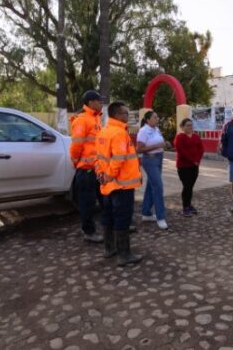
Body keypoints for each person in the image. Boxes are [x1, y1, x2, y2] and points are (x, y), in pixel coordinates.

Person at [96, 101, 143, 266]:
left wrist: (102, 176)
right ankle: (124, 255)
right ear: (117, 115)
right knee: (122, 218)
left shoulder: (103, 131)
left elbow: (98, 158)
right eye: (125, 113)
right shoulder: (119, 133)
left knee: (108, 216)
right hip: (121, 186)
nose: (127, 116)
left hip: (108, 185)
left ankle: (109, 249)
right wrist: (109, 176)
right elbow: (118, 159)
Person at [69, 90, 104, 243]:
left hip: (97, 168)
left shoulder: (96, 118)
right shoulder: (82, 120)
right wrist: (77, 163)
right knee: (87, 203)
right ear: (91, 102)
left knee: (103, 199)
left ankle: (110, 226)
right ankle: (89, 232)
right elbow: (76, 146)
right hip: (86, 169)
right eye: (99, 100)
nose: (101, 103)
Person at [136, 110, 169, 230]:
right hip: (150, 160)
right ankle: (161, 217)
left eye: (157, 117)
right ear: (148, 120)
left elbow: (159, 143)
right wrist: (157, 146)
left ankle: (146, 213)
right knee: (158, 187)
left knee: (151, 186)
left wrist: (165, 144)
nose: (157, 119)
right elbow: (139, 149)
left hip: (159, 158)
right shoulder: (143, 131)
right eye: (155, 117)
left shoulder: (156, 129)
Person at [173, 118, 205, 217]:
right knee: (186, 186)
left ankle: (189, 204)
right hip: (183, 166)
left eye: (191, 125)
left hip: (194, 166)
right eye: (187, 125)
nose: (190, 127)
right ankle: (185, 207)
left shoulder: (196, 136)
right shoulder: (179, 137)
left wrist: (197, 160)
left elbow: (201, 149)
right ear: (182, 127)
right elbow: (181, 152)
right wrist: (193, 160)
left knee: (190, 186)